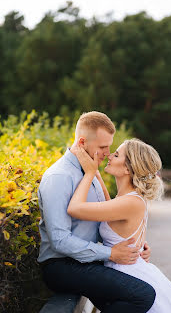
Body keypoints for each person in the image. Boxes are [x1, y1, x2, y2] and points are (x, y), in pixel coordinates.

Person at [38, 111, 156, 313]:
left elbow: (107, 218)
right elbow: (59, 240)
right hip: (61, 266)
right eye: (103, 147)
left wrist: (134, 244)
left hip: (87, 262)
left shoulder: (90, 172)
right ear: (82, 142)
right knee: (142, 295)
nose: (107, 153)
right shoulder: (59, 176)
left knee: (132, 298)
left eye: (109, 147)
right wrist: (111, 253)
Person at [67, 138, 171, 312]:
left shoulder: (131, 203)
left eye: (117, 154)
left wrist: (89, 174)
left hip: (128, 274)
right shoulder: (127, 199)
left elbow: (75, 208)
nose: (110, 155)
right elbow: (108, 208)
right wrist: (95, 172)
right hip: (123, 270)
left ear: (127, 168)